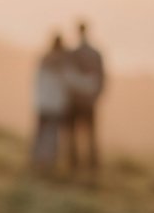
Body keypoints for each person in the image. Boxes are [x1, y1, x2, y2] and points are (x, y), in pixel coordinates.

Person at [62, 22, 106, 172]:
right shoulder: (96, 54)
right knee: (90, 136)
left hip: (74, 100)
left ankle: (73, 165)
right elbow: (102, 78)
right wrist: (96, 96)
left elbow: (66, 77)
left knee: (73, 134)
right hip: (88, 101)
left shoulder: (71, 53)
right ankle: (92, 166)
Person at [30, 33, 71, 169]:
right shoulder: (63, 63)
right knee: (52, 136)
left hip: (42, 103)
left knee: (39, 135)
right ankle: (48, 163)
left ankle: (35, 161)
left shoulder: (44, 59)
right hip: (55, 105)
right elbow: (70, 81)